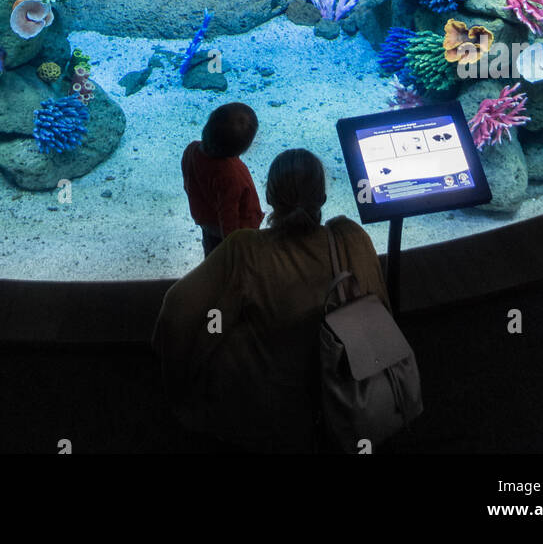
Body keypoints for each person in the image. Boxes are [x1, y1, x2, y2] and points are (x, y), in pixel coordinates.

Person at [154, 148, 390, 453]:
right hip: (354, 393)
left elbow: (176, 313)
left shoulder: (245, 249)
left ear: (267, 196)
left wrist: (180, 378)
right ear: (323, 197)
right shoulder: (351, 238)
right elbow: (380, 308)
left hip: (272, 412)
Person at [181, 103, 264, 256]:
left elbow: (189, 184)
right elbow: (229, 217)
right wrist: (232, 246)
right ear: (242, 148)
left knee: (211, 257)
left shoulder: (191, 150)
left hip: (207, 223)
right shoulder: (229, 176)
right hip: (237, 233)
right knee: (226, 267)